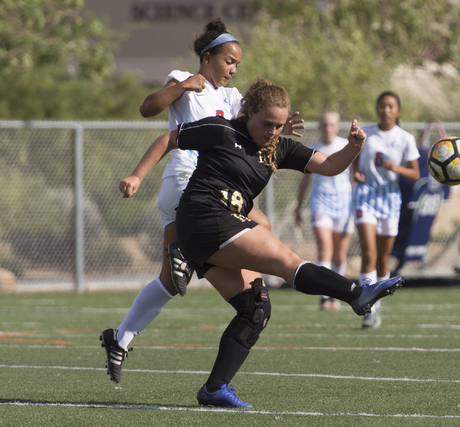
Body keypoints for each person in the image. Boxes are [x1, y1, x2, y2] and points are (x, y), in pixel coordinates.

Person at [123, 81, 404, 408]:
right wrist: (137, 176)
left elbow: (329, 166)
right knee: (286, 259)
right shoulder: (222, 130)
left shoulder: (279, 148)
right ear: (249, 113)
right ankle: (357, 294)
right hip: (203, 216)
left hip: (216, 230)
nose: (273, 131)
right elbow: (169, 139)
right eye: (267, 123)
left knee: (255, 308)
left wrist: (353, 147)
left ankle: (215, 388)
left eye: (279, 125)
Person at [99, 19, 303, 385]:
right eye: (229, 61)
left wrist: (276, 130)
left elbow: (253, 125)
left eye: (237, 63)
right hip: (185, 184)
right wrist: (180, 87)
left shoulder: (231, 97)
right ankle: (189, 252)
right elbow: (148, 109)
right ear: (207, 58)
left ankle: (121, 337)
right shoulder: (183, 79)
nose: (234, 68)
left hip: (216, 190)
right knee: (253, 230)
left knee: (170, 283)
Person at [353, 91, 420, 329]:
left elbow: (415, 174)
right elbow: (353, 155)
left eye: (391, 106)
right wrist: (355, 172)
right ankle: (367, 308)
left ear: (398, 111)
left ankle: (377, 307)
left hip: (390, 201)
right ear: (377, 109)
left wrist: (396, 168)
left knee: (383, 258)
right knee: (369, 253)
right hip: (365, 198)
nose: (386, 110)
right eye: (382, 105)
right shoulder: (367, 133)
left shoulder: (405, 138)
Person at [294, 111, 354, 311]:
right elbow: (305, 181)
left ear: (337, 127)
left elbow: (355, 176)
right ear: (319, 127)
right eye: (325, 124)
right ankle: (324, 297)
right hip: (321, 204)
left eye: (332, 124)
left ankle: (337, 295)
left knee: (339, 254)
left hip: (344, 205)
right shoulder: (313, 149)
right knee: (325, 249)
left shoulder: (346, 147)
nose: (328, 128)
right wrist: (298, 207)